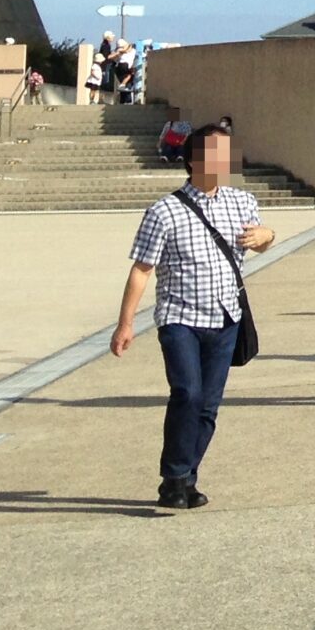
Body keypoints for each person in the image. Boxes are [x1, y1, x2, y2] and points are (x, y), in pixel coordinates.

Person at [110, 124, 272, 510]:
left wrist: (266, 236)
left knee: (208, 406)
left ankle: (184, 479)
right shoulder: (164, 211)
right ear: (195, 160)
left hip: (226, 318)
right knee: (187, 393)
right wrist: (125, 323)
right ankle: (175, 476)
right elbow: (142, 269)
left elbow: (262, 243)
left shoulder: (242, 202)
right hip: (179, 318)